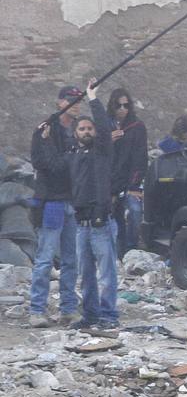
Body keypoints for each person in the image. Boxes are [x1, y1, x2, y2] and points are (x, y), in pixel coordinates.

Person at [28, 86, 82, 328]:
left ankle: (68, 309)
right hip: (51, 202)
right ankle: (37, 310)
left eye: (78, 100)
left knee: (71, 260)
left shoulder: (77, 131)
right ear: (60, 102)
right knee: (45, 258)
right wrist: (58, 150)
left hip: (72, 202)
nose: (75, 104)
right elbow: (47, 163)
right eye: (71, 100)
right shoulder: (45, 130)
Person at [68, 81, 119, 335]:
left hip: (101, 222)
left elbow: (104, 125)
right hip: (81, 223)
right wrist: (40, 136)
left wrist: (93, 99)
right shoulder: (74, 156)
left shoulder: (102, 151)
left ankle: (109, 315)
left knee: (106, 273)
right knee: (86, 274)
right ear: (75, 132)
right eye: (82, 128)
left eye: (90, 128)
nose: (86, 131)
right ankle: (90, 315)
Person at [107, 87, 147, 257]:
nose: (123, 109)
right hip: (110, 181)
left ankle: (132, 249)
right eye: (119, 106)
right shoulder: (105, 126)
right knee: (113, 220)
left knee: (134, 212)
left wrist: (134, 184)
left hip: (130, 179)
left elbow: (140, 157)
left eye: (126, 105)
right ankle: (117, 255)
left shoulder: (136, 126)